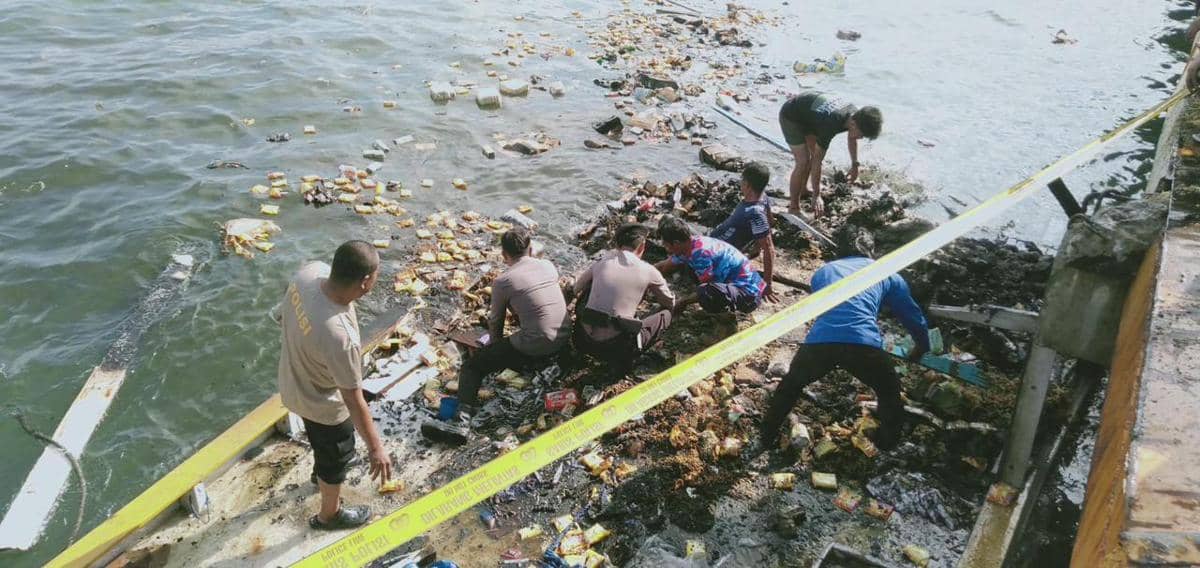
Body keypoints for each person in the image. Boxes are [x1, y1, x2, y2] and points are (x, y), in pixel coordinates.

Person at [757, 230, 929, 452]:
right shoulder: (886, 273)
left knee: (791, 385)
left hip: (821, 342)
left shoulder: (824, 271)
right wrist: (921, 346)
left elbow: (825, 307)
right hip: (863, 344)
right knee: (889, 391)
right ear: (871, 253)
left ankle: (767, 435)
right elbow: (911, 314)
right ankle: (887, 444)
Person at [277, 240, 392, 530]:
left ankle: (320, 475)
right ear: (365, 282)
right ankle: (329, 514)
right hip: (323, 406)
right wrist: (376, 448)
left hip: (293, 381)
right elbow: (353, 399)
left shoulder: (309, 273)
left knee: (319, 443)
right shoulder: (340, 339)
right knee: (335, 457)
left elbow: (281, 313)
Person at [455, 227, 570, 420]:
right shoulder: (548, 265)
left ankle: (463, 416)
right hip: (565, 335)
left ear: (503, 254)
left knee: (471, 368)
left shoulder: (503, 281)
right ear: (530, 248)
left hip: (538, 343)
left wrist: (494, 349)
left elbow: (496, 321)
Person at [573, 223, 675, 378]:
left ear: (617, 245)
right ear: (642, 246)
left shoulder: (602, 263)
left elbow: (575, 289)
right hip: (616, 349)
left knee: (590, 286)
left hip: (581, 340)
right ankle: (625, 361)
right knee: (666, 315)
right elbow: (669, 303)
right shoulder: (649, 271)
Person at [778, 91, 882, 216]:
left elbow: (852, 138)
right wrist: (817, 195)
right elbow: (818, 161)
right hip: (791, 115)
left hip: (810, 116)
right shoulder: (831, 124)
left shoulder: (854, 114)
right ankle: (794, 207)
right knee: (803, 161)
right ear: (853, 124)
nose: (861, 138)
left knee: (812, 156)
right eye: (862, 134)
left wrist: (855, 165)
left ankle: (804, 189)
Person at [654, 214, 765, 314]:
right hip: (737, 284)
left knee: (705, 292)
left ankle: (725, 315)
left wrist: (682, 302)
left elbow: (707, 287)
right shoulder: (691, 244)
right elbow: (665, 265)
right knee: (691, 272)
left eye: (666, 245)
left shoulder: (700, 254)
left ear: (676, 243)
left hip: (749, 295)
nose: (666, 248)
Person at [710, 162, 779, 302]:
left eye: (742, 180)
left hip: (718, 254)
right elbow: (770, 222)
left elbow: (770, 248)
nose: (740, 183)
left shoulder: (754, 212)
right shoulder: (763, 197)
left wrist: (767, 284)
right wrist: (757, 247)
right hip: (717, 240)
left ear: (747, 184)